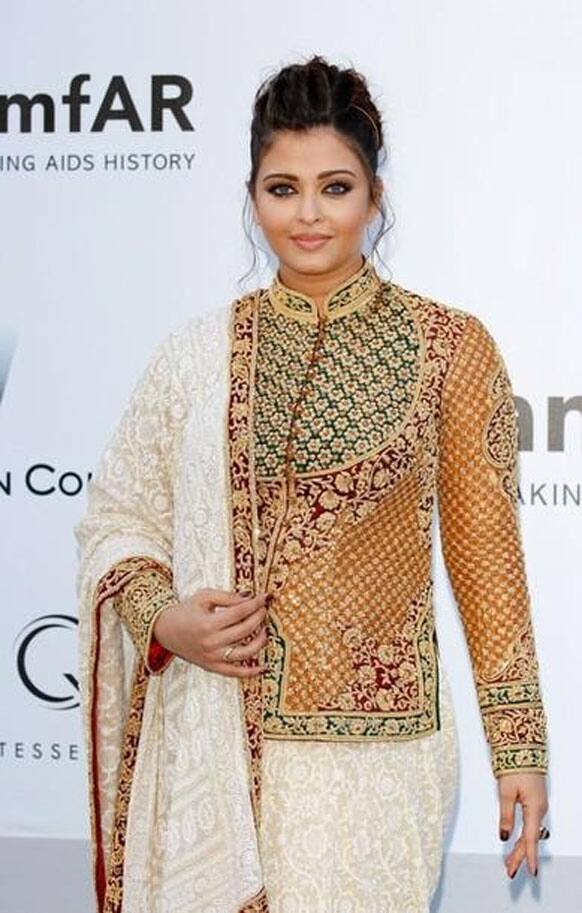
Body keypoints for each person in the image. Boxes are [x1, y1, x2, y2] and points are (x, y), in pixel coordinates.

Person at [74, 54, 550, 913]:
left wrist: (519, 747)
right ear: (252, 196)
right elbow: (118, 515)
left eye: (334, 186)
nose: (308, 214)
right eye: (281, 188)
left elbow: (489, 568)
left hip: (380, 765)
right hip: (216, 744)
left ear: (374, 194)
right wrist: (163, 618)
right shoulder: (194, 357)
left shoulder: (450, 347)